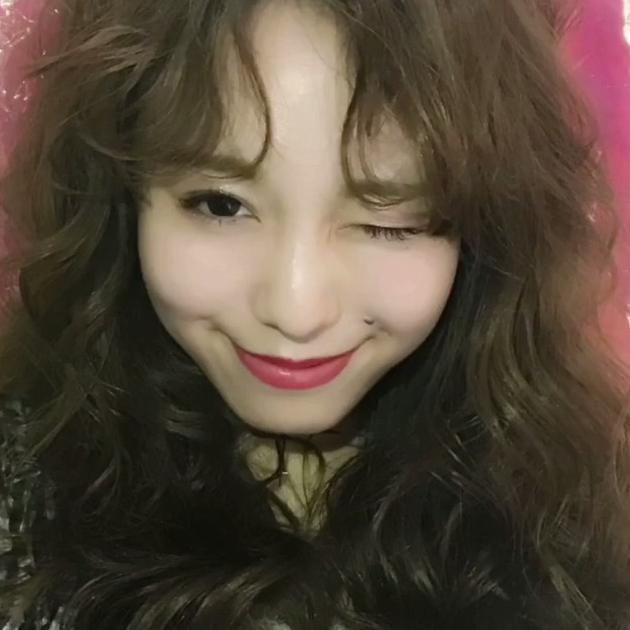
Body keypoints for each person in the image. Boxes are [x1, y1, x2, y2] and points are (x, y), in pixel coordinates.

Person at [1, 0, 630, 628]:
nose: (295, 311)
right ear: (122, 199)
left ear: (488, 234)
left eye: (389, 221)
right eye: (221, 205)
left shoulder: (579, 499)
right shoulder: (25, 484)